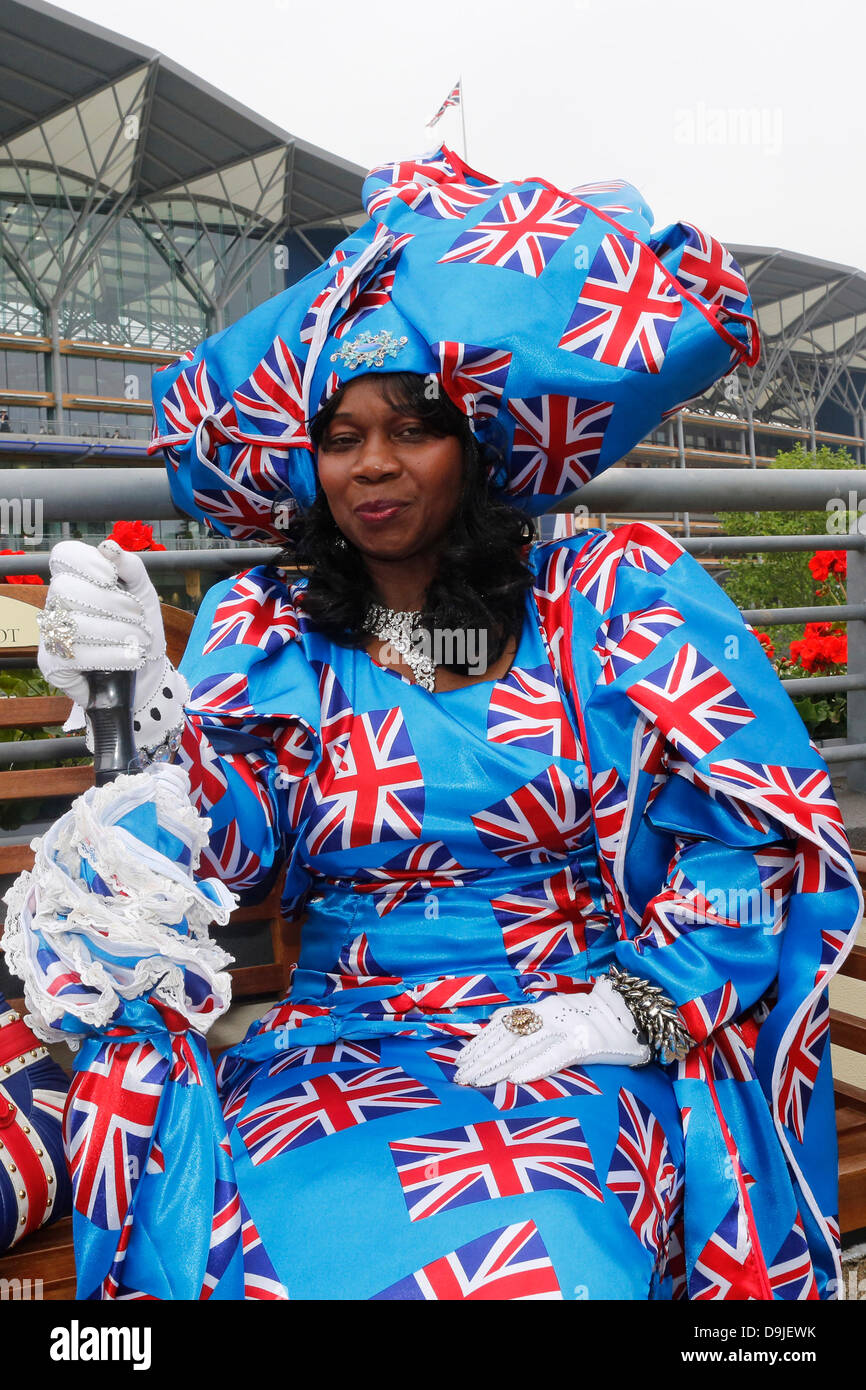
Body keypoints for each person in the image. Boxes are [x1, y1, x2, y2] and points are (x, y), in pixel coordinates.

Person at [6, 147, 860, 1302]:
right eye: (340, 435)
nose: (373, 466)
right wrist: (141, 717)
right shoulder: (270, 623)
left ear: (476, 443)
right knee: (256, 1259)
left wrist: (630, 1007)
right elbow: (227, 844)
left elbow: (741, 841)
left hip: (563, 1026)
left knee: (535, 1262)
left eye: (412, 428)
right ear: (306, 463)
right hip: (340, 1043)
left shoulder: (608, 595)